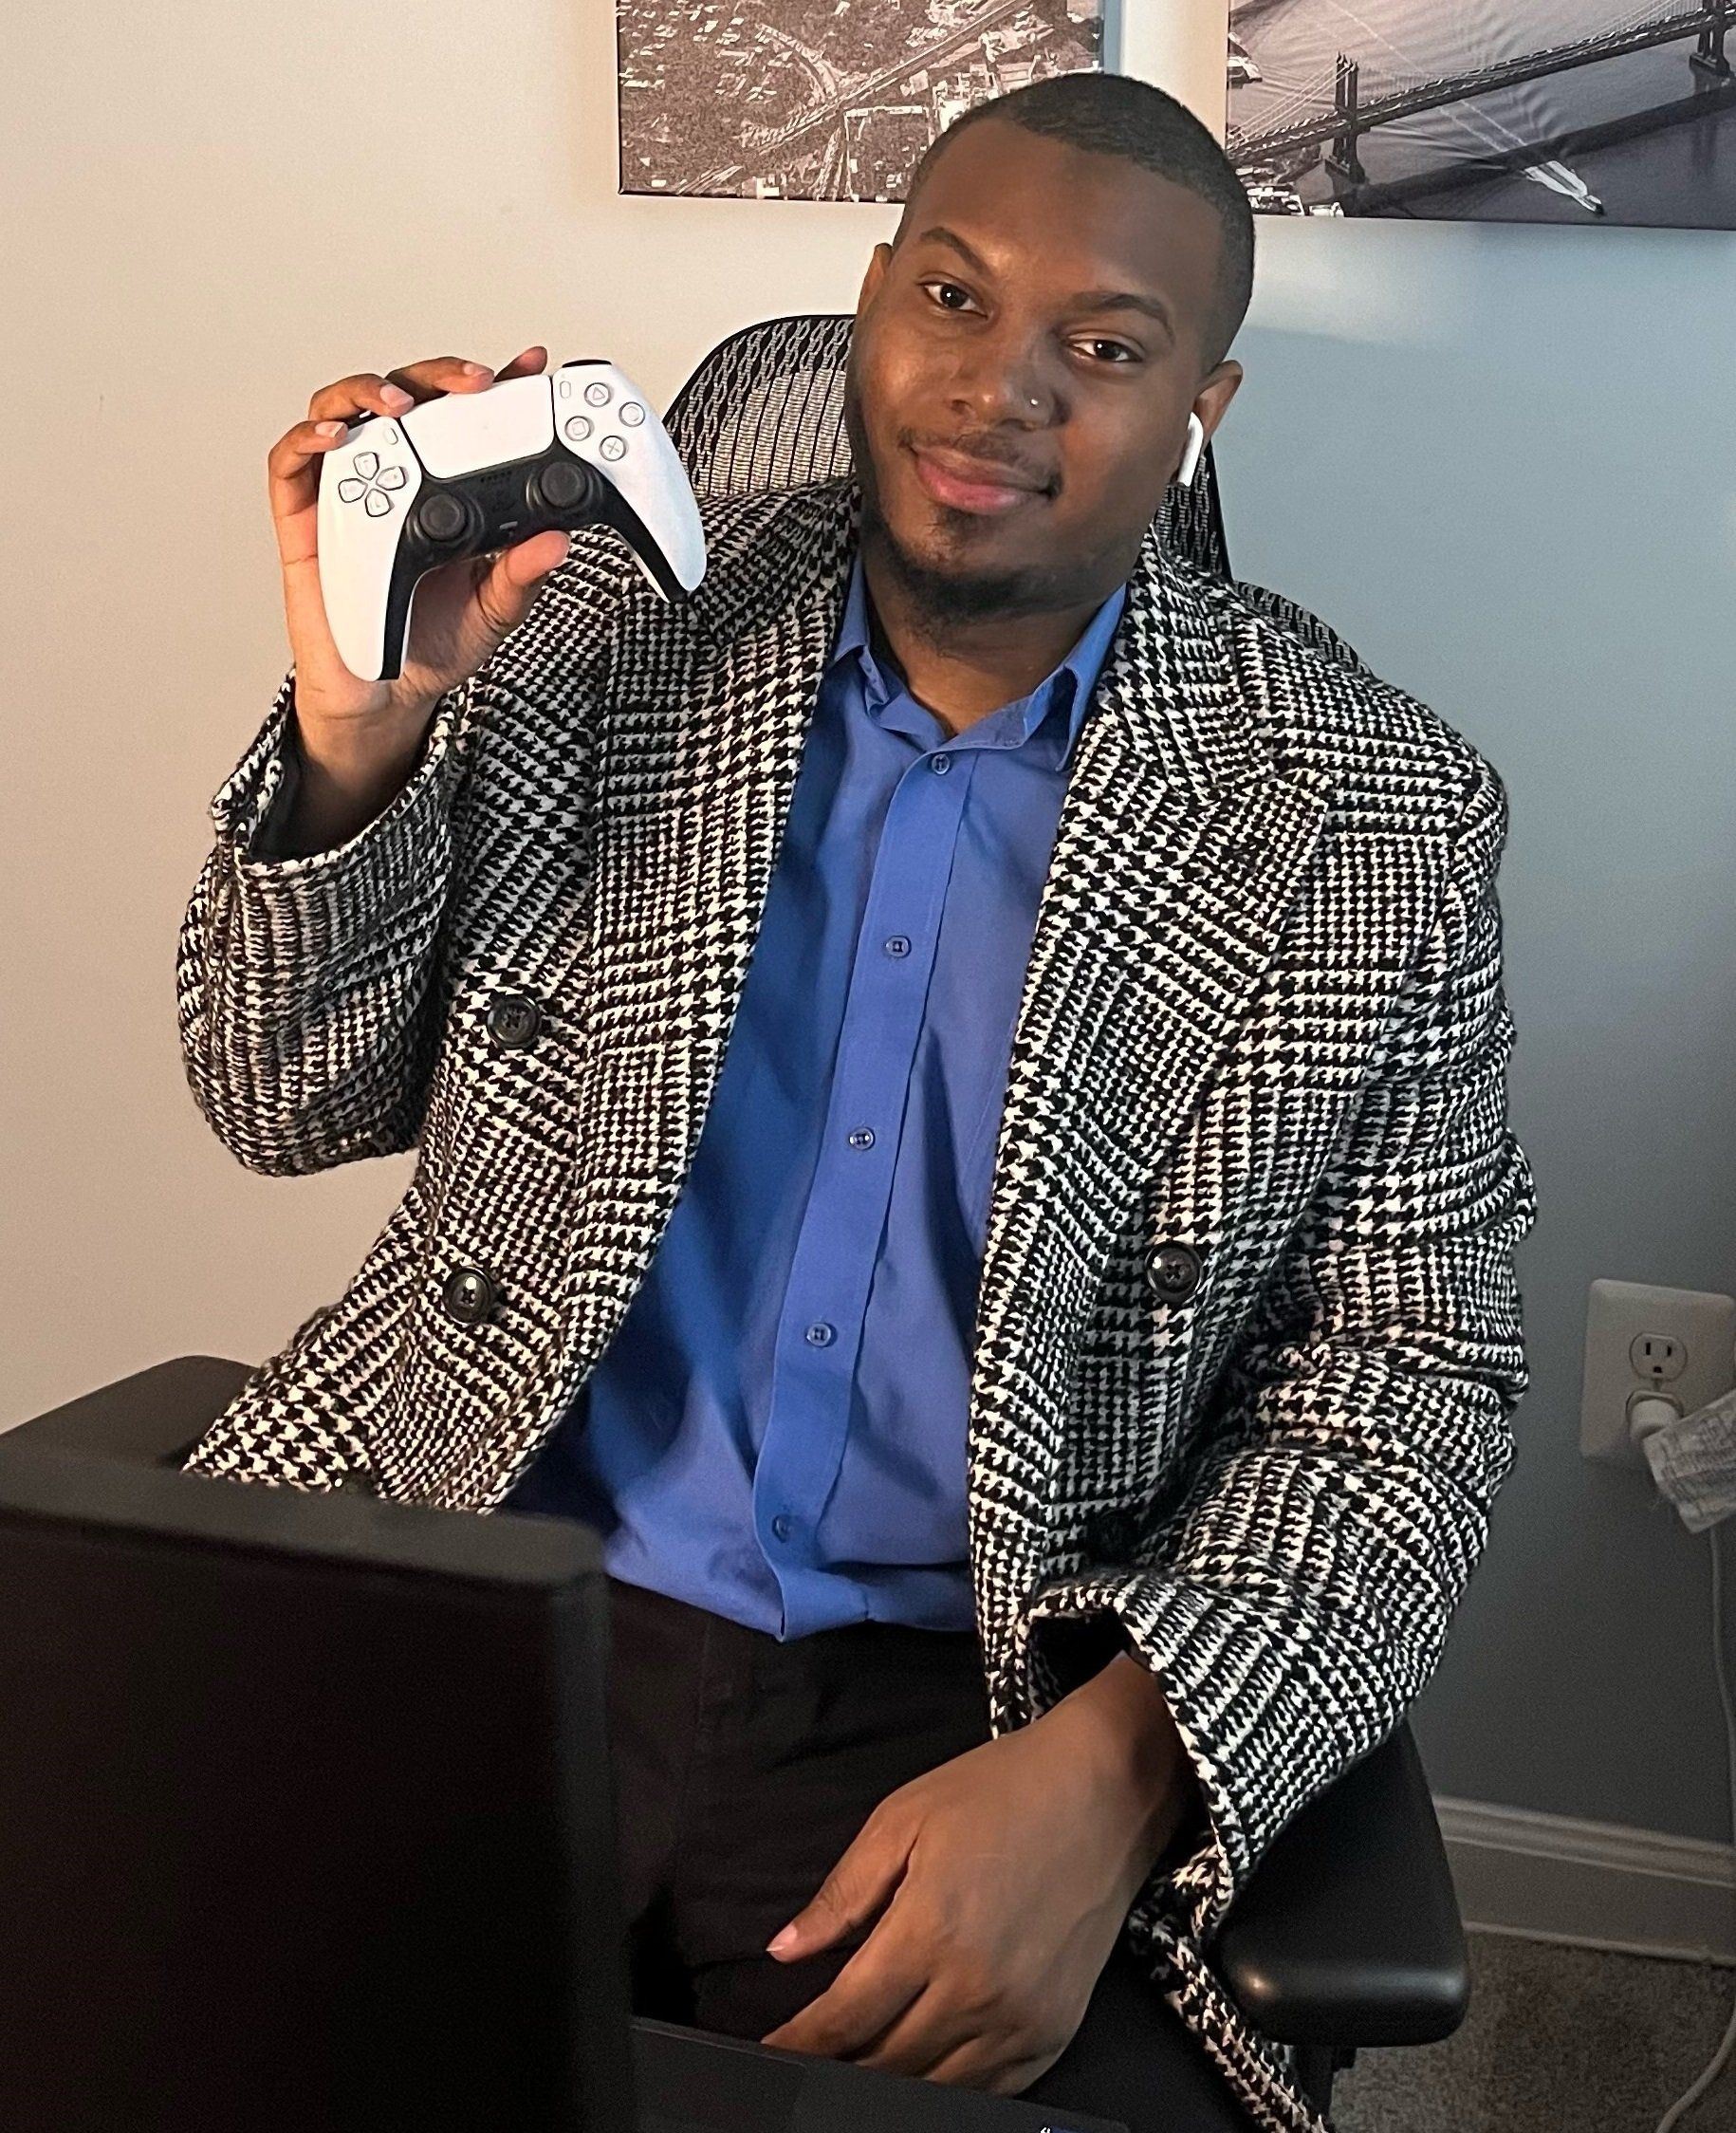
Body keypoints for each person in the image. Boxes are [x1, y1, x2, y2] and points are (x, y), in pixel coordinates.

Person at [175, 71, 1537, 2133]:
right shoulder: (587, 630)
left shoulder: (1370, 813)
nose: (998, 388)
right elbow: (278, 1098)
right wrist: (361, 724)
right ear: (873, 298)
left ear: (1204, 409)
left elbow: (1416, 1379)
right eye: (953, 298)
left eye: (1104, 346)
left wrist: (1115, 1770)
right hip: (478, 1568)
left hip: (970, 1687)